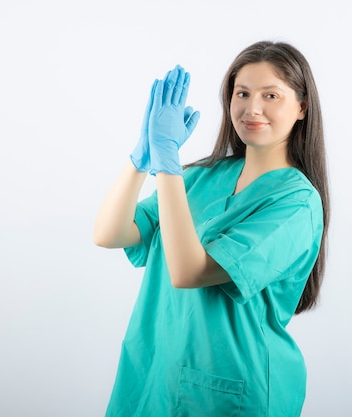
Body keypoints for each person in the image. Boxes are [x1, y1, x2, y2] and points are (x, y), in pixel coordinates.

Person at [93, 40, 330, 417]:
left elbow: (188, 272)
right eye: (242, 93)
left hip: (231, 388)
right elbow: (109, 233)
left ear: (302, 107)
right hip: (155, 373)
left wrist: (168, 162)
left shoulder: (296, 203)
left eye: (271, 95)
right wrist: (142, 159)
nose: (253, 108)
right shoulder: (203, 177)